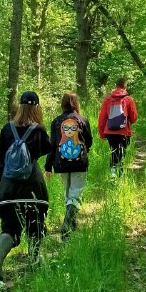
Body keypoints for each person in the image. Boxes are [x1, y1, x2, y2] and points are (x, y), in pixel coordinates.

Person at [0, 91, 52, 281]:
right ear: (37, 108)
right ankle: (35, 261)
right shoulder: (38, 130)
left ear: (20, 107)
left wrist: (1, 184)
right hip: (33, 189)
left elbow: (0, 160)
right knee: (35, 224)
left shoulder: (7, 129)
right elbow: (47, 148)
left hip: (7, 189)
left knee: (10, 228)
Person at [44, 92, 93, 240]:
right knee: (75, 193)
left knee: (68, 193)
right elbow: (89, 141)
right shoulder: (82, 120)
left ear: (62, 104)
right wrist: (83, 152)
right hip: (79, 162)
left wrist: (48, 166)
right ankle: (67, 223)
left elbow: (52, 145)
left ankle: (71, 223)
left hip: (61, 163)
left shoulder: (56, 121)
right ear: (76, 103)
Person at [97, 77, 138, 178]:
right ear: (125, 86)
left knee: (114, 151)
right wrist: (128, 121)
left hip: (110, 132)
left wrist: (102, 134)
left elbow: (102, 118)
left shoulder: (108, 99)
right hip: (124, 131)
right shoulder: (128, 100)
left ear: (116, 86)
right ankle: (119, 174)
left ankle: (113, 174)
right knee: (121, 153)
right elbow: (134, 117)